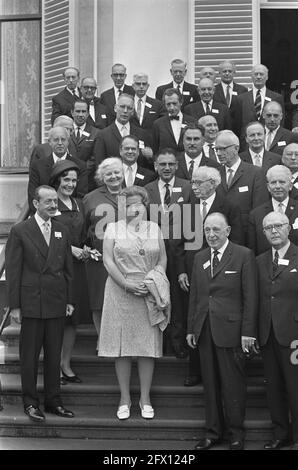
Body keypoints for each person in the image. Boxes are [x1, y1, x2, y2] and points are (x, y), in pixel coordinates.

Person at [187, 212, 258, 450]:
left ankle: (236, 433)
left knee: (233, 384)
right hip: (205, 330)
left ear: (227, 231)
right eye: (207, 230)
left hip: (232, 330)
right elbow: (196, 295)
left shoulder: (243, 255)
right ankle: (213, 432)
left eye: (216, 229)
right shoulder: (199, 257)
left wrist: (248, 331)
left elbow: (251, 297)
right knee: (210, 384)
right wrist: (191, 328)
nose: (211, 234)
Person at [5, 185, 75, 422]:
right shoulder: (20, 230)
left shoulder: (62, 230)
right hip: (31, 302)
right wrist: (14, 306)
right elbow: (13, 271)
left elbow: (68, 269)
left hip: (56, 301)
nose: (54, 205)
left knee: (54, 355)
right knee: (30, 356)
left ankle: (54, 401)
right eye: (48, 202)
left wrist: (70, 300)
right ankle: (30, 402)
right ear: (36, 204)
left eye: (55, 201)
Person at [98, 186, 168, 420]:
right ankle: (124, 398)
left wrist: (152, 281)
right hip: (121, 291)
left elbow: (162, 258)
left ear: (145, 205)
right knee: (123, 348)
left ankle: (145, 398)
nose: (133, 208)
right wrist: (127, 284)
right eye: (128, 204)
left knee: (147, 347)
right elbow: (108, 260)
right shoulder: (113, 228)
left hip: (148, 291)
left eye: (138, 204)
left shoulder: (155, 228)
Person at [174, 166, 244, 386]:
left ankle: (222, 371)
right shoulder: (185, 207)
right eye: (192, 182)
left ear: (213, 183)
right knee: (195, 318)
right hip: (194, 272)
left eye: (198, 183)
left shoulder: (230, 206)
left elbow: (238, 240)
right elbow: (177, 243)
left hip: (223, 272)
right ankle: (195, 370)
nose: (193, 187)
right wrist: (181, 271)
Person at [257, 211, 298, 450]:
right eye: (268, 227)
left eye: (278, 226)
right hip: (268, 334)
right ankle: (280, 434)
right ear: (263, 232)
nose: (274, 231)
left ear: (288, 228)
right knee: (273, 388)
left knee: (296, 387)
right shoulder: (259, 260)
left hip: (294, 335)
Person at [145, 149, 191, 359]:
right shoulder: (147, 190)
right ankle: (159, 342)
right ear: (155, 166)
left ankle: (177, 342)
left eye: (171, 164)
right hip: (154, 255)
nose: (166, 168)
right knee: (157, 297)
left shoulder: (188, 188)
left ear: (176, 165)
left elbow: (193, 224)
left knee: (179, 300)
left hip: (181, 255)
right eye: (162, 164)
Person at [49, 160, 90, 385]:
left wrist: (84, 248)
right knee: (57, 319)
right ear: (57, 180)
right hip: (56, 268)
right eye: (66, 180)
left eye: (74, 180)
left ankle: (66, 363)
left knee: (72, 320)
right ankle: (53, 366)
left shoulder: (79, 203)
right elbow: (43, 236)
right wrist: (69, 249)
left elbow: (82, 234)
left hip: (77, 268)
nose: (70, 184)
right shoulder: (50, 203)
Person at [83, 158, 124, 350]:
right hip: (98, 258)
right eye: (108, 174)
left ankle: (121, 339)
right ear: (101, 177)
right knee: (99, 301)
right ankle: (103, 339)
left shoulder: (133, 194)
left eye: (116, 172)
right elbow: (83, 228)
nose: (113, 176)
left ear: (123, 173)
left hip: (127, 258)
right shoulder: (90, 198)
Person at [216, 130, 269, 243]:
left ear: (236, 148)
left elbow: (259, 208)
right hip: (219, 235)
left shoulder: (255, 173)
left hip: (246, 235)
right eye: (217, 149)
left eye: (223, 149)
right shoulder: (215, 174)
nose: (219, 153)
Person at [28, 126, 88, 213]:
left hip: (71, 215)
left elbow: (81, 196)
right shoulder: (38, 166)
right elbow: (33, 195)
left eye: (63, 140)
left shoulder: (80, 165)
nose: (60, 143)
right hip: (44, 215)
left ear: (68, 142)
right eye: (56, 140)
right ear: (49, 142)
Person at [248, 165, 298, 255]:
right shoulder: (256, 214)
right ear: (268, 187)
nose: (277, 186)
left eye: (282, 182)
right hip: (266, 266)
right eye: (273, 182)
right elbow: (253, 249)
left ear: (290, 186)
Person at [96, 93, 154, 170]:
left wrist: (151, 157)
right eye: (122, 107)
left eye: (129, 108)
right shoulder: (103, 135)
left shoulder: (142, 134)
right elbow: (100, 165)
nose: (125, 111)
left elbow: (147, 165)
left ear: (133, 112)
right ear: (115, 108)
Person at [238, 64, 285, 139]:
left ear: (267, 77)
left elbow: (281, 122)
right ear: (252, 77)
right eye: (256, 74)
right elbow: (237, 124)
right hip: (247, 142)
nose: (258, 77)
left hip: (269, 141)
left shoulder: (277, 97)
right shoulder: (241, 98)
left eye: (261, 74)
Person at [69, 100, 101, 191]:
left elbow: (95, 157)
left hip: (87, 181)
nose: (80, 114)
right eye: (78, 111)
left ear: (88, 114)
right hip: (66, 177)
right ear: (72, 112)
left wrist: (81, 171)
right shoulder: (65, 131)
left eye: (83, 111)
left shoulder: (96, 133)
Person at [152, 88, 196, 153]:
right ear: (164, 105)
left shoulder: (192, 121)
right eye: (168, 104)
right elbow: (155, 149)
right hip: (167, 161)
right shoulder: (158, 124)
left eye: (174, 103)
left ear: (181, 102)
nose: (172, 107)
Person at [214, 60, 247, 137]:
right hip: (219, 130)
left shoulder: (242, 90)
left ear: (234, 72)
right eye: (224, 71)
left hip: (238, 131)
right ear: (219, 73)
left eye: (230, 71)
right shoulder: (213, 90)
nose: (227, 73)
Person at [130, 73, 165, 139]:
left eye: (144, 84)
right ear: (133, 86)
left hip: (151, 142)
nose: (141, 86)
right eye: (138, 84)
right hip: (131, 141)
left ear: (148, 86)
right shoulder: (128, 103)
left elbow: (161, 126)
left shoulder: (157, 104)